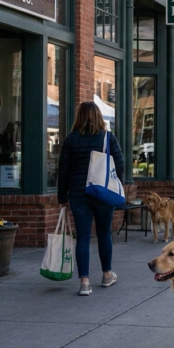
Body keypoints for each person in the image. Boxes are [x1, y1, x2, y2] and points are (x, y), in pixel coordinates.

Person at [57, 101, 125, 296]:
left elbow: (63, 170)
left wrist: (62, 196)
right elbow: (119, 164)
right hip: (103, 193)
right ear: (98, 117)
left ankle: (84, 283)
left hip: (79, 194)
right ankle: (106, 275)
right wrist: (116, 185)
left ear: (79, 117)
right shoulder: (107, 138)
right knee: (104, 234)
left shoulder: (71, 140)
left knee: (83, 238)